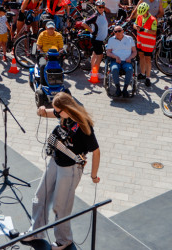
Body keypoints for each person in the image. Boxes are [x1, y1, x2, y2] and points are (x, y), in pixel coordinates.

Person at [30, 93, 101, 250]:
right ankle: (35, 232)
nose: (56, 113)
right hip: (56, 161)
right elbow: (51, 112)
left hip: (71, 169)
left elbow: (96, 152)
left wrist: (94, 175)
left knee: (61, 206)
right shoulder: (62, 113)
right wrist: (41, 111)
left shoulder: (83, 126)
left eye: (58, 111)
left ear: (67, 109)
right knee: (40, 196)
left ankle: (64, 240)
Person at [93, 0, 121, 71]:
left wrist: (122, 6)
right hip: (108, 15)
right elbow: (99, 1)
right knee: (107, 32)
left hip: (114, 14)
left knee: (111, 32)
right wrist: (104, 8)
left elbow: (117, 3)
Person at [104, 25, 136, 97]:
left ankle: (125, 89)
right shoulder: (111, 40)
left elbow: (134, 52)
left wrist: (130, 58)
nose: (117, 33)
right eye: (115, 31)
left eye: (119, 31)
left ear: (123, 31)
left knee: (130, 69)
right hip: (115, 61)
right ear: (114, 32)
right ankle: (118, 89)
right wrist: (115, 57)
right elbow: (108, 52)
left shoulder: (129, 38)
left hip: (126, 61)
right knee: (114, 69)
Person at [133, 2, 157, 87]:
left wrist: (144, 30)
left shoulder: (153, 19)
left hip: (148, 43)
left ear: (147, 11)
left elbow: (154, 32)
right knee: (141, 57)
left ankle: (148, 77)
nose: (142, 15)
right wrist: (136, 27)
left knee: (147, 59)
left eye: (143, 14)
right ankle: (142, 73)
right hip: (140, 41)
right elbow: (134, 24)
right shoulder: (139, 16)